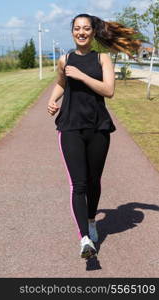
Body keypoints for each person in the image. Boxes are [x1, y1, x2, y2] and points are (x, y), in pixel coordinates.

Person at [47, 13, 142, 259]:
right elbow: (61, 82)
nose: (81, 32)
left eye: (86, 28)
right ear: (72, 32)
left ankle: (91, 220)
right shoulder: (64, 59)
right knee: (78, 185)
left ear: (92, 32)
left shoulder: (103, 59)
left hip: (98, 127)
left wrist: (82, 76)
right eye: (77, 28)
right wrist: (52, 99)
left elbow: (109, 90)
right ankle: (85, 239)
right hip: (69, 127)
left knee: (93, 181)